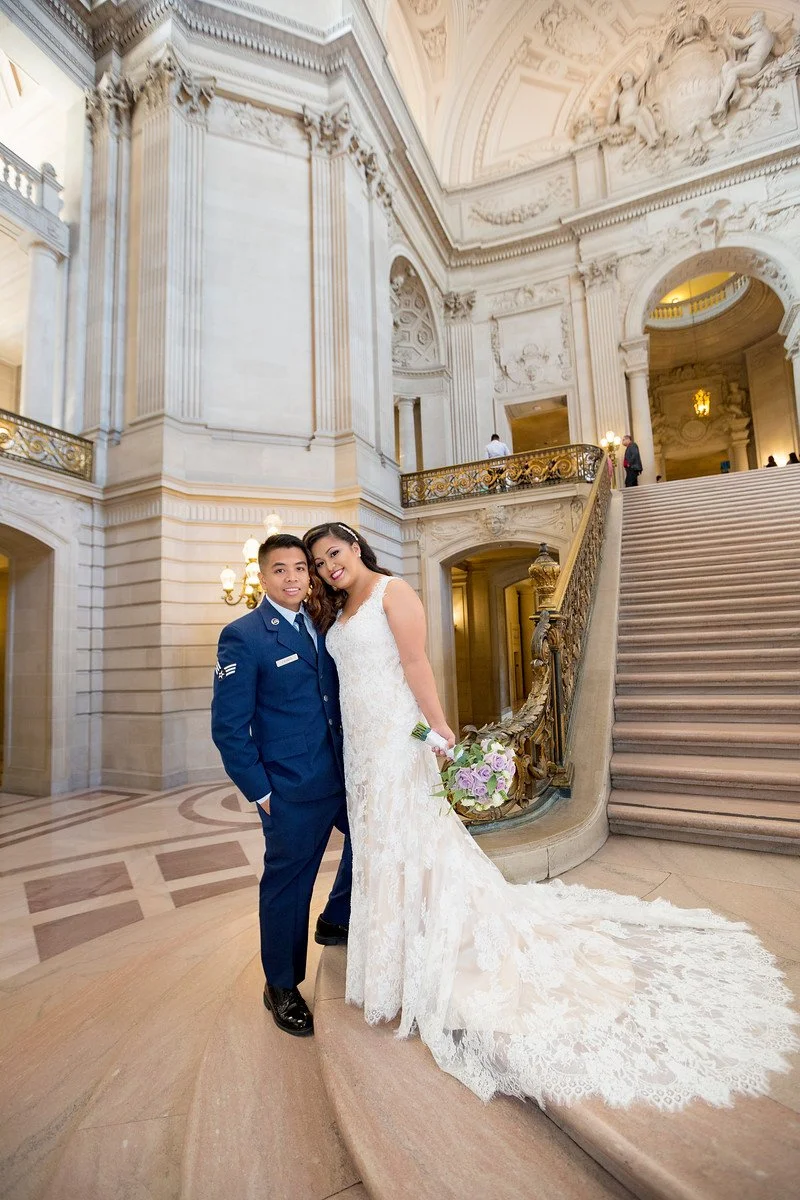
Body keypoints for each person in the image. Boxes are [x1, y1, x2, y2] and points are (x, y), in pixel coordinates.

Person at [302, 520, 798, 1110]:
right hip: (361, 746)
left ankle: (441, 942)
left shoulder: (392, 591)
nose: (329, 565)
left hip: (396, 740)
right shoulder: (337, 606)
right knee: (383, 845)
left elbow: (415, 665)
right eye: (319, 561)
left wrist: (437, 729)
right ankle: (397, 947)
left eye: (334, 553)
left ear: (355, 547)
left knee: (415, 837)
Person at [211, 533, 352, 1037]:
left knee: (372, 840)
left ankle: (336, 916)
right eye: (280, 570)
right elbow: (228, 727)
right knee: (288, 888)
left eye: (300, 568)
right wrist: (262, 792)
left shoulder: (322, 622)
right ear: (263, 576)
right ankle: (282, 985)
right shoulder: (244, 635)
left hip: (341, 774)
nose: (293, 578)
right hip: (290, 788)